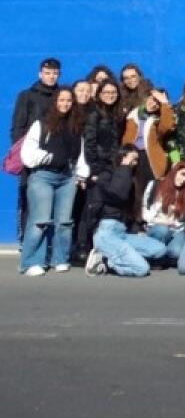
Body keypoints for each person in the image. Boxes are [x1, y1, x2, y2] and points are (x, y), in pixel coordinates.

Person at [18, 87, 83, 275]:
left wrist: (80, 174)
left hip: (68, 178)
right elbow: (27, 154)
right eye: (61, 100)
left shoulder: (76, 125)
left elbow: (81, 153)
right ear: (55, 102)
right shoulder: (41, 124)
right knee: (40, 221)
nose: (65, 104)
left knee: (64, 222)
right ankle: (31, 262)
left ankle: (60, 259)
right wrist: (48, 157)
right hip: (43, 177)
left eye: (69, 100)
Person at [85, 145, 169, 277]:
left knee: (160, 249)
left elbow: (132, 212)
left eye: (136, 160)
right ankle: (105, 261)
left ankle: (115, 256)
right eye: (132, 159)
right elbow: (119, 194)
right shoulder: (107, 176)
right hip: (106, 232)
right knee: (142, 269)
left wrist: (138, 230)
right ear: (122, 157)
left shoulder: (131, 180)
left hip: (123, 232)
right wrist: (124, 167)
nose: (134, 163)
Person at [10, 57, 63, 244]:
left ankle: (50, 244)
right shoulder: (27, 96)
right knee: (29, 202)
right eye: (47, 73)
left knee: (55, 203)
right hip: (32, 161)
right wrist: (27, 156)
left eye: (55, 73)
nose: (51, 76)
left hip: (56, 159)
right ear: (40, 74)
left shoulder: (63, 96)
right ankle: (26, 242)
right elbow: (17, 128)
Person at [75, 80, 124, 264]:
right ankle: (82, 247)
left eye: (113, 92)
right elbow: (89, 143)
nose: (110, 95)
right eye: (106, 92)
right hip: (99, 168)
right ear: (99, 94)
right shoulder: (94, 114)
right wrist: (94, 169)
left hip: (113, 168)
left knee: (105, 210)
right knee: (92, 208)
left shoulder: (116, 115)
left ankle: (100, 248)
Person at [121, 88, 176, 205]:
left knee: (147, 191)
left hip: (149, 158)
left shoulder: (158, 120)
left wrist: (165, 103)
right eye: (153, 99)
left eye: (158, 102)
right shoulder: (133, 115)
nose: (154, 103)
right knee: (129, 188)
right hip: (130, 155)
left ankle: (144, 220)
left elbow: (168, 125)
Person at [142, 161, 185, 265]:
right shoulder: (155, 184)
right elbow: (145, 213)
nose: (184, 180)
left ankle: (162, 256)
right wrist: (163, 220)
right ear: (175, 171)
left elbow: (181, 221)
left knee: (176, 252)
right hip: (157, 227)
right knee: (163, 230)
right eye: (183, 174)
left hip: (177, 230)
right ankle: (154, 254)